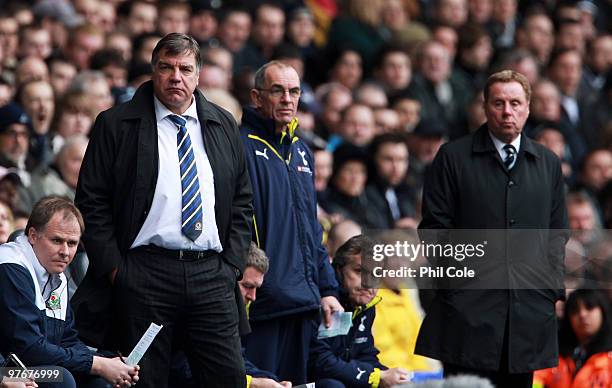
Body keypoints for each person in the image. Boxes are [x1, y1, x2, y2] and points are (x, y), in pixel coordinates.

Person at [72, 33, 253, 388]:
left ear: (198, 75)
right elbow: (91, 202)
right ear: (153, 71)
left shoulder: (223, 123)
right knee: (145, 379)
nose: (176, 77)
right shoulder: (115, 124)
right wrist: (115, 270)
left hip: (211, 275)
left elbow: (242, 201)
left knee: (227, 377)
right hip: (143, 273)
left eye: (185, 69)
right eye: (166, 67)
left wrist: (231, 264)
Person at [415, 70, 568, 388]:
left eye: (515, 103)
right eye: (498, 103)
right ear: (484, 107)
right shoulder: (453, 157)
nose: (507, 111)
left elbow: (557, 234)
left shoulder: (548, 162)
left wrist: (547, 291)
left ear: (528, 107)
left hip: (527, 318)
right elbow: (435, 232)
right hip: (468, 317)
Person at [240, 60, 342, 384]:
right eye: (278, 91)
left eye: (294, 91)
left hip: (303, 303)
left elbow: (312, 228)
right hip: (263, 303)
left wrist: (326, 288)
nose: (288, 99)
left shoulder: (302, 151)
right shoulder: (240, 147)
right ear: (257, 97)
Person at [0, 197, 139, 388]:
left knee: (101, 381)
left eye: (72, 243)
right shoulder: (10, 266)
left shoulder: (57, 276)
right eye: (57, 240)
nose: (65, 252)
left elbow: (66, 340)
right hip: (6, 372)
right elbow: (28, 348)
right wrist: (96, 364)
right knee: (60, 377)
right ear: (32, 235)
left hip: (31, 365)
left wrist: (108, 363)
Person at [309, 235, 411, 388]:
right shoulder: (327, 302)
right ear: (338, 269)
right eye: (359, 271)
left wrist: (390, 375)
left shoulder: (366, 306)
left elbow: (365, 355)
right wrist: (376, 376)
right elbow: (321, 362)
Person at [533, 289, 612, 388]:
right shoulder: (555, 356)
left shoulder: (609, 361)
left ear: (603, 311)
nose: (582, 315)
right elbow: (537, 378)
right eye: (575, 310)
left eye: (589, 307)